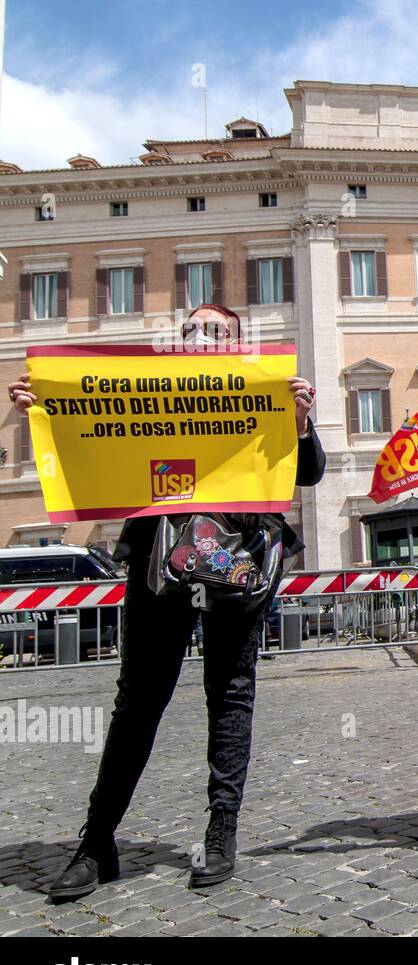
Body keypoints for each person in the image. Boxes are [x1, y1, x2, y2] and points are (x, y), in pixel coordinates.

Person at [7, 304, 326, 899]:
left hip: (238, 559)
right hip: (158, 559)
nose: (200, 337)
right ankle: (96, 842)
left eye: (215, 330)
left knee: (230, 693)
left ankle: (220, 832)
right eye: (190, 330)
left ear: (238, 342)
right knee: (139, 699)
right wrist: (48, 408)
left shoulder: (271, 389)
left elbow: (307, 474)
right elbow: (92, 441)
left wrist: (302, 422)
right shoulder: (151, 391)